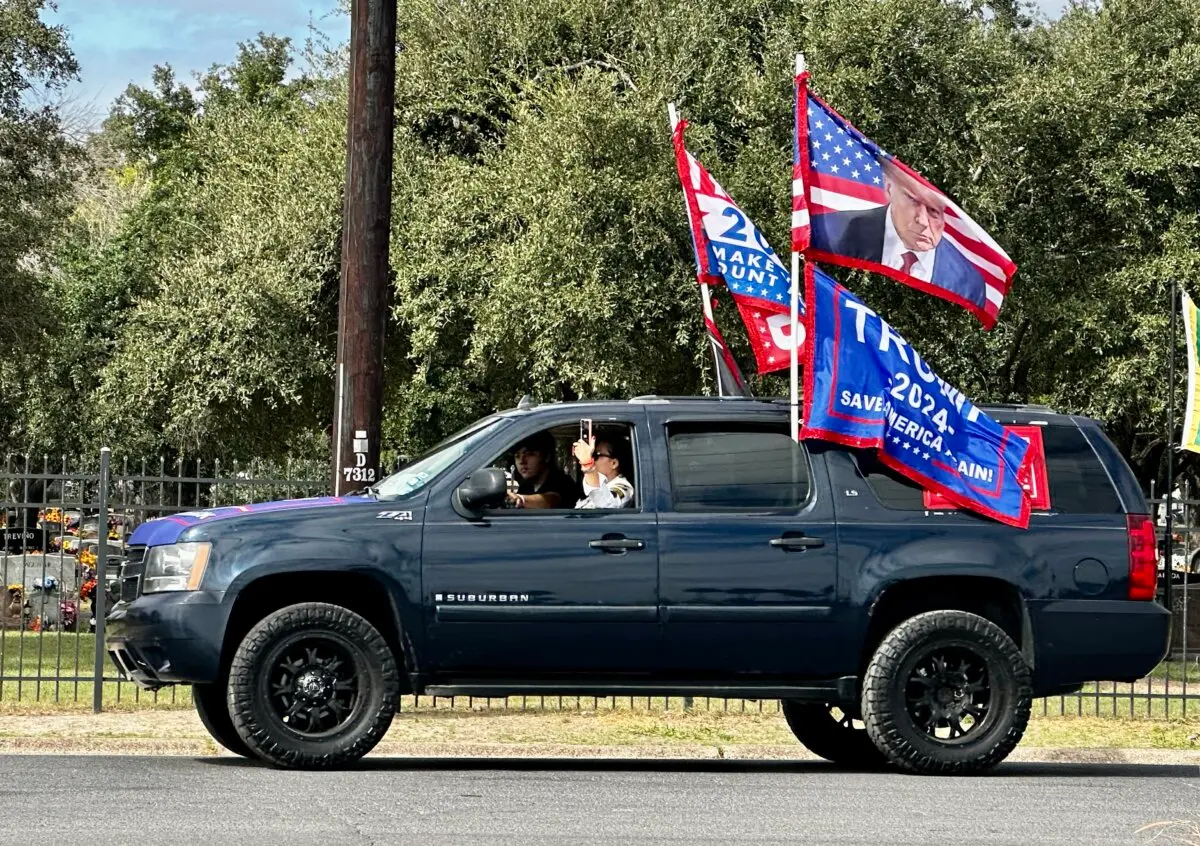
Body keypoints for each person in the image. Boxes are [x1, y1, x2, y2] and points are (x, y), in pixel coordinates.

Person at [808, 158, 984, 307]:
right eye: (913, 200)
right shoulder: (831, 227)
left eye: (933, 212)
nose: (922, 221)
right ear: (889, 187)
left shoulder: (966, 279)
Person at [504, 430, 579, 509]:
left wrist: (520, 499)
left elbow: (549, 501)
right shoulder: (526, 486)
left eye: (530, 454)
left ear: (546, 457)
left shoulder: (562, 482)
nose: (522, 461)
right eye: (517, 456)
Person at [572, 433, 634, 509]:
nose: (593, 459)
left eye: (596, 455)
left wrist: (587, 463)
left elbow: (607, 505)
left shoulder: (624, 487)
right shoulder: (605, 485)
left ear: (614, 463)